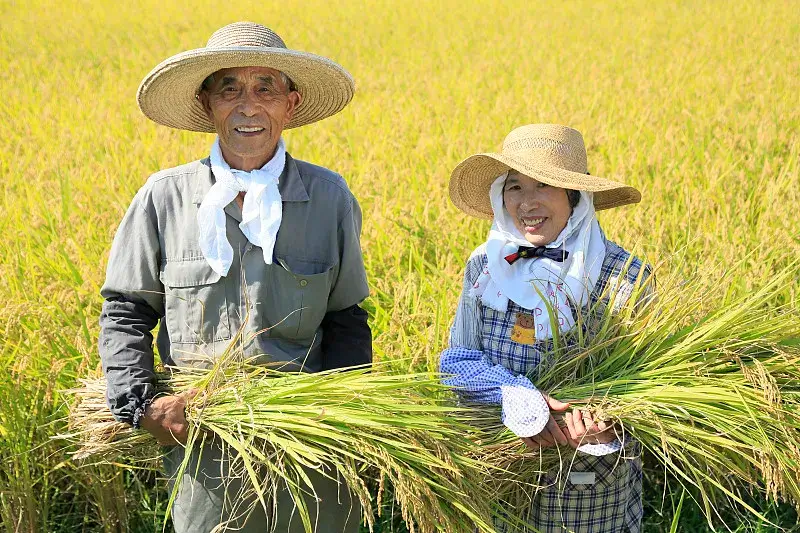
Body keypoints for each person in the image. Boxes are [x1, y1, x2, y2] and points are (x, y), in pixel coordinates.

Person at [99, 22, 370, 533]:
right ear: (208, 104)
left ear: (291, 104)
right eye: (231, 89)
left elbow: (346, 319)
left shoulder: (329, 198)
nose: (249, 106)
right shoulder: (164, 198)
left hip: (311, 449)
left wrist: (344, 419)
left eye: (265, 88)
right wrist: (142, 406)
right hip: (204, 448)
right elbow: (125, 311)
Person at [440, 124, 649, 532]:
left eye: (544, 186)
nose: (527, 203)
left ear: (574, 196)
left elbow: (648, 385)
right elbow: (457, 359)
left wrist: (608, 421)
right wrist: (509, 392)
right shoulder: (484, 266)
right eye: (515, 187)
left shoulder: (623, 276)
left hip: (586, 481)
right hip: (498, 468)